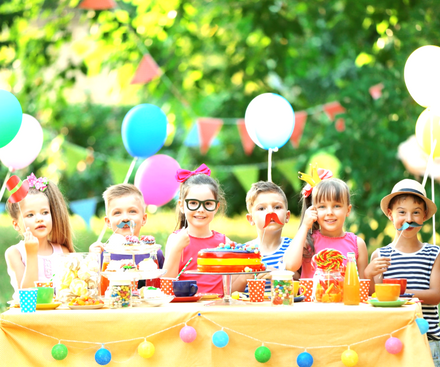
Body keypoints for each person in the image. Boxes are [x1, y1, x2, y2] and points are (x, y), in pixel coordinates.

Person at [364, 179, 440, 363]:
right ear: (390, 214)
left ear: (425, 217)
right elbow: (374, 296)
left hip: (427, 338)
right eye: (402, 212)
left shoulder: (434, 253)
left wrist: (402, 295)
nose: (409, 219)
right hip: (392, 338)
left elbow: (436, 295)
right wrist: (368, 274)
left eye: (416, 213)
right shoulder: (380, 255)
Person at [284, 166, 368, 279]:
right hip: (311, 297)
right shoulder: (308, 241)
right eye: (322, 206)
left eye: (336, 206)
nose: (329, 212)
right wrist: (304, 226)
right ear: (313, 210)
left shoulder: (357, 244)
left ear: (348, 210)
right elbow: (290, 266)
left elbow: (363, 287)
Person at [5, 173, 74, 300]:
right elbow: (27, 298)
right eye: (30, 215)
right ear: (16, 224)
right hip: (28, 317)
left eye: (45, 212)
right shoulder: (15, 253)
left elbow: (71, 293)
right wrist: (31, 254)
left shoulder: (62, 251)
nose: (39, 219)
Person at [163, 163, 227, 295]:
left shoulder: (224, 243)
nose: (200, 210)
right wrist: (176, 249)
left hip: (217, 309)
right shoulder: (175, 239)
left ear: (216, 207)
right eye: (193, 203)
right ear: (182, 205)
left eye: (208, 204)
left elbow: (231, 287)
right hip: (186, 310)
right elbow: (166, 287)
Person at [89, 184, 164, 288]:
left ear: (144, 219)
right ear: (108, 222)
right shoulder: (102, 254)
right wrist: (91, 259)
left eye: (132, 211)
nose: (125, 218)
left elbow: (163, 285)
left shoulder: (153, 253)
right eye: (117, 212)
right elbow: (90, 288)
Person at [231, 181, 293, 293]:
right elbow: (230, 292)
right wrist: (245, 276)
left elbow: (300, 284)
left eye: (277, 207)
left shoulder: (293, 248)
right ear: (250, 219)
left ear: (287, 216)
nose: (270, 212)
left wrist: (277, 275)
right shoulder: (242, 252)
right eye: (261, 208)